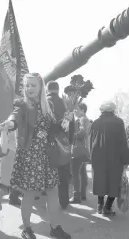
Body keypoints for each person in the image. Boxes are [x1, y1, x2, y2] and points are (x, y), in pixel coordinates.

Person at [0, 73, 71, 239]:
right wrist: (10, 123)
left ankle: (55, 227)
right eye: (27, 85)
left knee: (53, 191)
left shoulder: (48, 106)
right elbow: (15, 116)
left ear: (41, 87)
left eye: (33, 85)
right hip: (30, 155)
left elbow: (54, 128)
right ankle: (27, 228)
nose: (29, 88)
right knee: (30, 194)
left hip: (47, 155)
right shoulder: (22, 104)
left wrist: (64, 122)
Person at [90, 101, 129, 216]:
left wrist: (91, 156)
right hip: (115, 157)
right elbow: (123, 142)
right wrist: (126, 159)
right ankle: (107, 207)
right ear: (113, 110)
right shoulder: (118, 122)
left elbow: (90, 141)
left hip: (97, 156)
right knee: (114, 181)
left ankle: (99, 206)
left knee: (100, 180)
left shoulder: (96, 123)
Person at [46, 81, 73, 209]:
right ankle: (64, 201)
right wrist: (70, 141)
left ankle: (50, 201)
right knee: (63, 173)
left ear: (47, 89)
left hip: (47, 142)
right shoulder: (66, 103)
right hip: (63, 142)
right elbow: (70, 124)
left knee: (48, 172)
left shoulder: (44, 102)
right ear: (58, 89)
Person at [70, 103, 90, 204]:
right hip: (83, 149)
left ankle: (76, 195)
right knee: (82, 172)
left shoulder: (83, 119)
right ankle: (82, 194)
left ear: (83, 109)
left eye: (77, 109)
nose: (75, 111)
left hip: (78, 149)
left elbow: (82, 133)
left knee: (75, 172)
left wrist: (71, 136)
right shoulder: (84, 119)